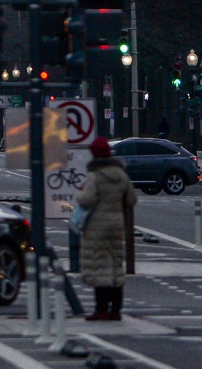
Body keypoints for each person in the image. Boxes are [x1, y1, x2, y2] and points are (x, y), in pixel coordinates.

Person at [76, 136, 138, 321]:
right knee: (115, 265)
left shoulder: (95, 176)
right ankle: (116, 309)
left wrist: (80, 192)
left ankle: (101, 308)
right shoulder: (121, 175)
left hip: (97, 226)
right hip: (117, 224)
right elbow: (132, 199)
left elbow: (86, 199)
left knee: (99, 266)